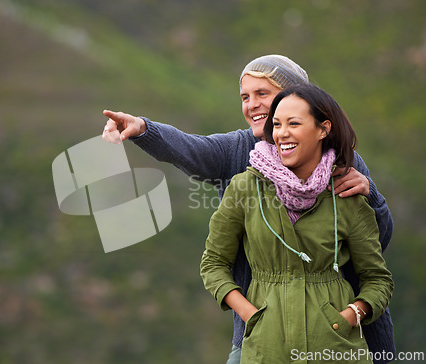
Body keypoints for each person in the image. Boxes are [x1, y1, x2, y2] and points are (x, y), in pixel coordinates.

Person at [102, 55, 395, 363]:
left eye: (262, 94)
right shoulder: (237, 153)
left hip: (346, 338)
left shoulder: (342, 162)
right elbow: (189, 148)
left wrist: (371, 195)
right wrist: (143, 129)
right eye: (245, 97)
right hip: (261, 337)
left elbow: (378, 246)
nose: (251, 104)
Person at [200, 83, 394, 363]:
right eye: (277, 124)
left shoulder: (345, 194)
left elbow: (378, 279)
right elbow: (213, 263)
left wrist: (351, 316)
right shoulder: (244, 188)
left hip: (335, 350)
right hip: (266, 349)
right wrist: (250, 315)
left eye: (293, 123)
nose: (282, 133)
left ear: (322, 129)